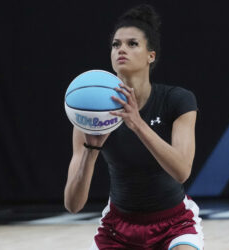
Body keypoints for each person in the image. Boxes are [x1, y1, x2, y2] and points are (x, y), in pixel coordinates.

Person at [64, 4, 204, 250]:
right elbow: (73, 205)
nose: (121, 50)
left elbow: (182, 171)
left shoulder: (177, 100)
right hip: (118, 228)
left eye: (132, 44)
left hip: (173, 223)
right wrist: (91, 149)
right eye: (116, 44)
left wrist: (137, 124)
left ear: (151, 55)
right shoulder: (91, 112)